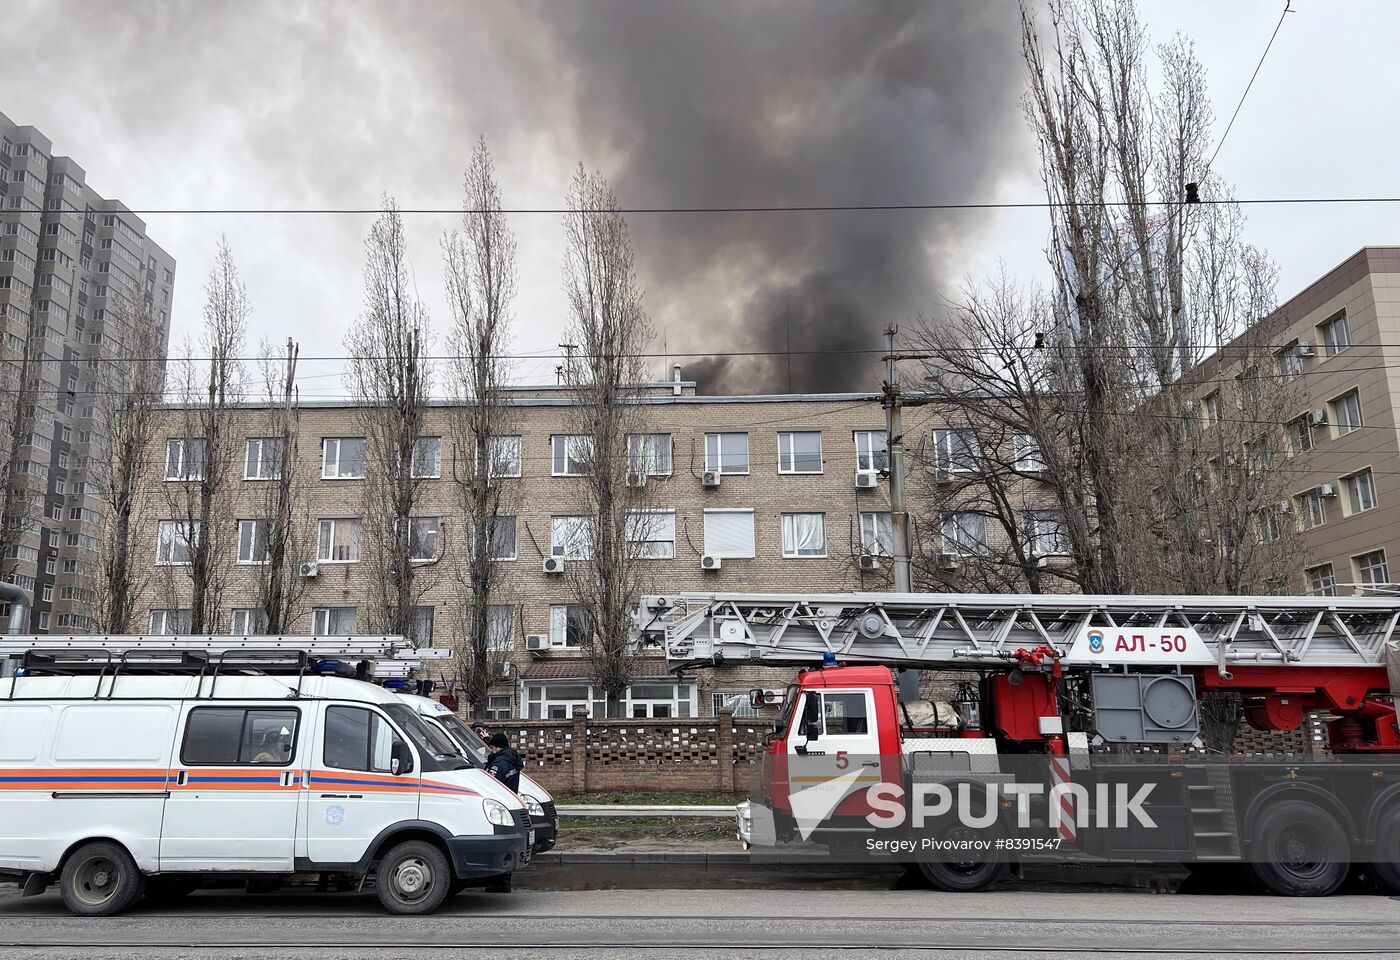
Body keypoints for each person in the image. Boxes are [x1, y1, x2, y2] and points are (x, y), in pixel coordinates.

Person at [483, 732, 525, 894]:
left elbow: (490, 783)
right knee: (506, 844)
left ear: (496, 747)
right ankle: (503, 882)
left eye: (491, 748)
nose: (490, 751)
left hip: (498, 805)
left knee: (498, 846)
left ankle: (498, 883)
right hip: (509, 802)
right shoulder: (512, 759)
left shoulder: (500, 762)